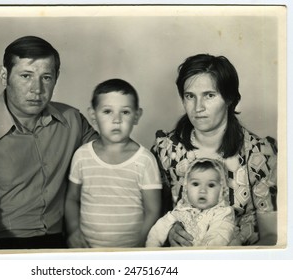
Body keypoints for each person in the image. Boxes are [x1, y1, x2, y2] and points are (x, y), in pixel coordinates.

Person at [0, 36, 98, 249]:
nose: (36, 89)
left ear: (57, 77)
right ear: (4, 75)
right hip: (3, 247)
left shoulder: (73, 120)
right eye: (26, 75)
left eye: (46, 77)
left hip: (65, 244)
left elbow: (110, 162)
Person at [152, 54, 277, 246]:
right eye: (189, 96)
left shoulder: (259, 154)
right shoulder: (166, 151)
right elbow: (152, 218)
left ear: (229, 99)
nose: (198, 107)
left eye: (209, 95)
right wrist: (168, 230)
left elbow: (272, 237)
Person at [65, 78, 162, 248]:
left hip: (131, 253)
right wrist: (73, 231)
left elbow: (153, 210)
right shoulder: (82, 156)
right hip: (89, 250)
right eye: (107, 111)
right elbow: (72, 198)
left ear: (136, 116)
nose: (116, 120)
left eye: (125, 112)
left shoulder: (144, 160)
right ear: (93, 116)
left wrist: (140, 245)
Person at [146, 158, 235, 247]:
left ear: (221, 190)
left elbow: (218, 236)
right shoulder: (180, 211)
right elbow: (157, 231)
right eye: (196, 184)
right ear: (186, 188)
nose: (203, 190)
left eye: (211, 185)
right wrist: (152, 249)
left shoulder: (222, 213)